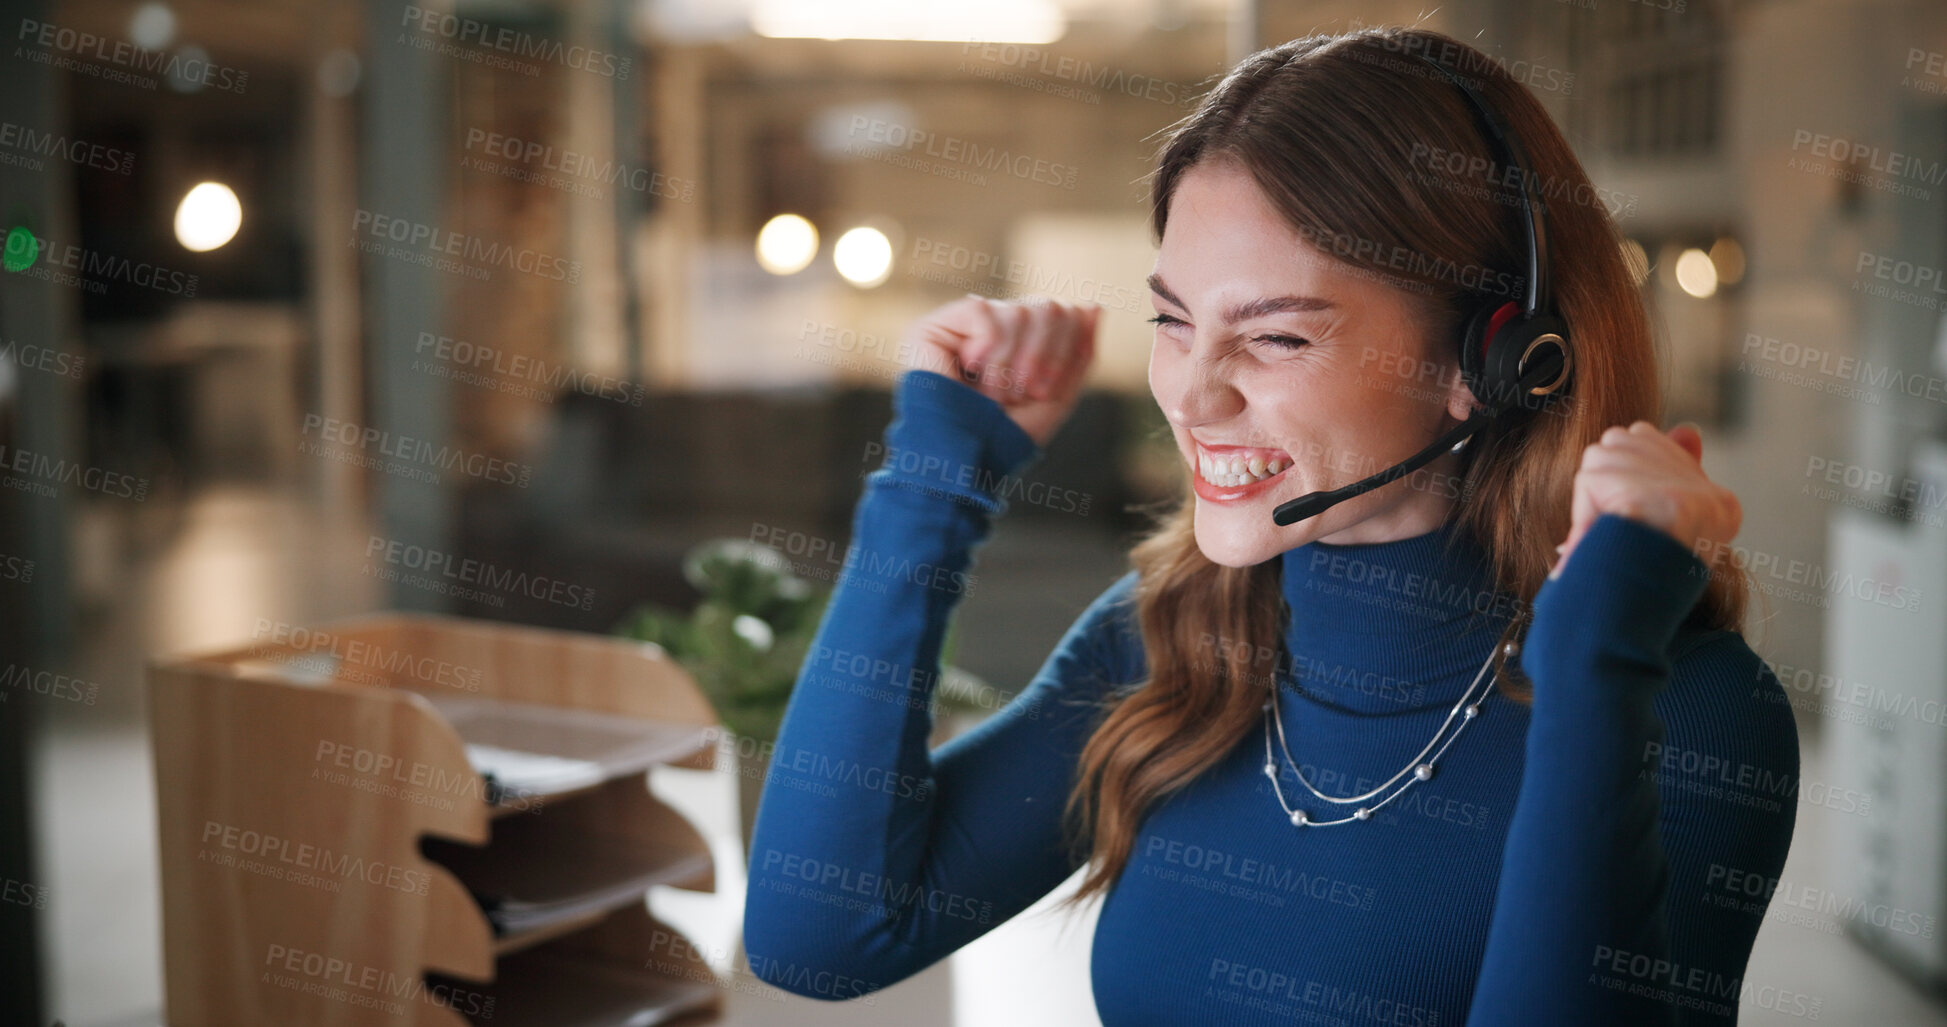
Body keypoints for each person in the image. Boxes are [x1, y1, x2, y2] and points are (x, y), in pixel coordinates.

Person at [743, 25, 1798, 1026]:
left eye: (1278, 337)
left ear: (1492, 362)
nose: (1193, 398)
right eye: (1173, 319)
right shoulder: (1175, 632)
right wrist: (936, 474)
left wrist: (1596, 671)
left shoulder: (1688, 707)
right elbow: (820, 931)